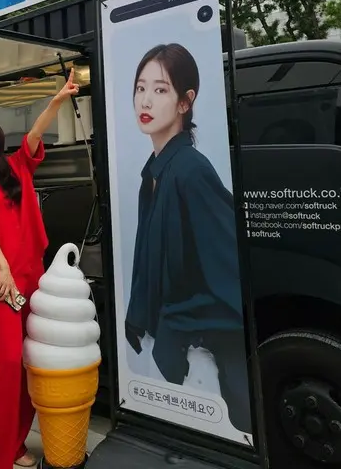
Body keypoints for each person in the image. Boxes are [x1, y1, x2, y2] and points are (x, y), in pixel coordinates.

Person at [0, 70, 79, 469]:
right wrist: (3, 268)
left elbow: (36, 135)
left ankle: (16, 442)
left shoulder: (14, 166)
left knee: (30, 362)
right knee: (8, 363)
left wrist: (58, 100)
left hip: (32, 274)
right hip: (2, 280)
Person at [123, 43, 251, 434]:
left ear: (185, 101)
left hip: (209, 356)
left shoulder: (190, 171)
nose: (145, 99)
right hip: (175, 348)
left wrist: (177, 320)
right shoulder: (157, 172)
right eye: (141, 87)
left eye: (160, 90)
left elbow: (228, 266)